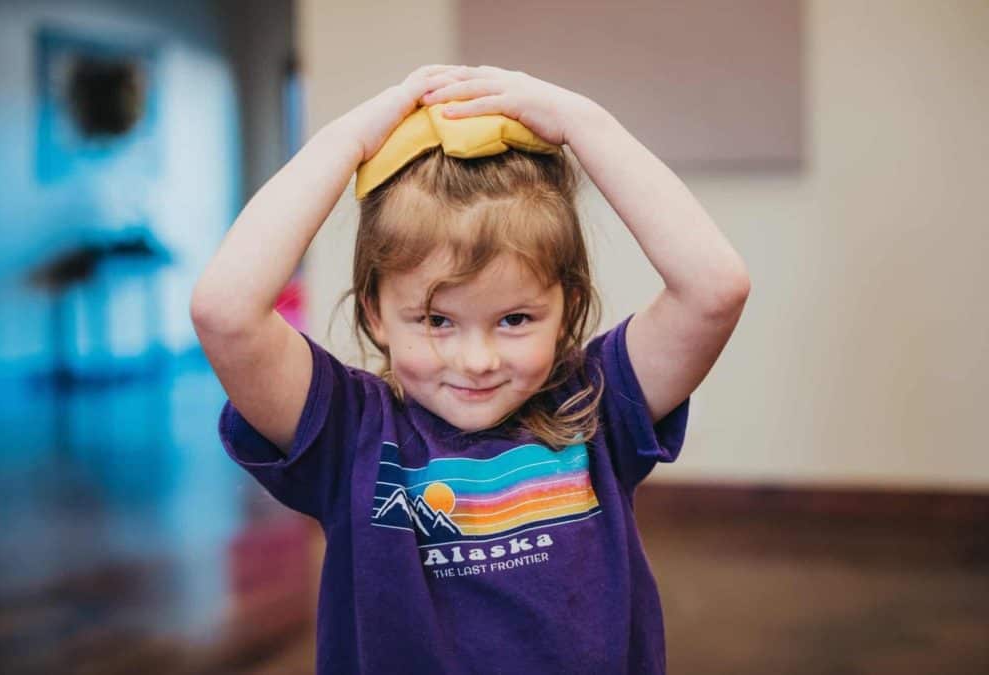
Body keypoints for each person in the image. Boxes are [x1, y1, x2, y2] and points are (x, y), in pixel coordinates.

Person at [190, 64, 750, 675]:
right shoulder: (349, 434)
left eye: (515, 320)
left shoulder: (595, 407)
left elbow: (714, 289)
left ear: (569, 308)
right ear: (376, 314)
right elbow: (225, 312)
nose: (477, 361)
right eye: (436, 321)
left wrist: (583, 124)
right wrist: (345, 144)